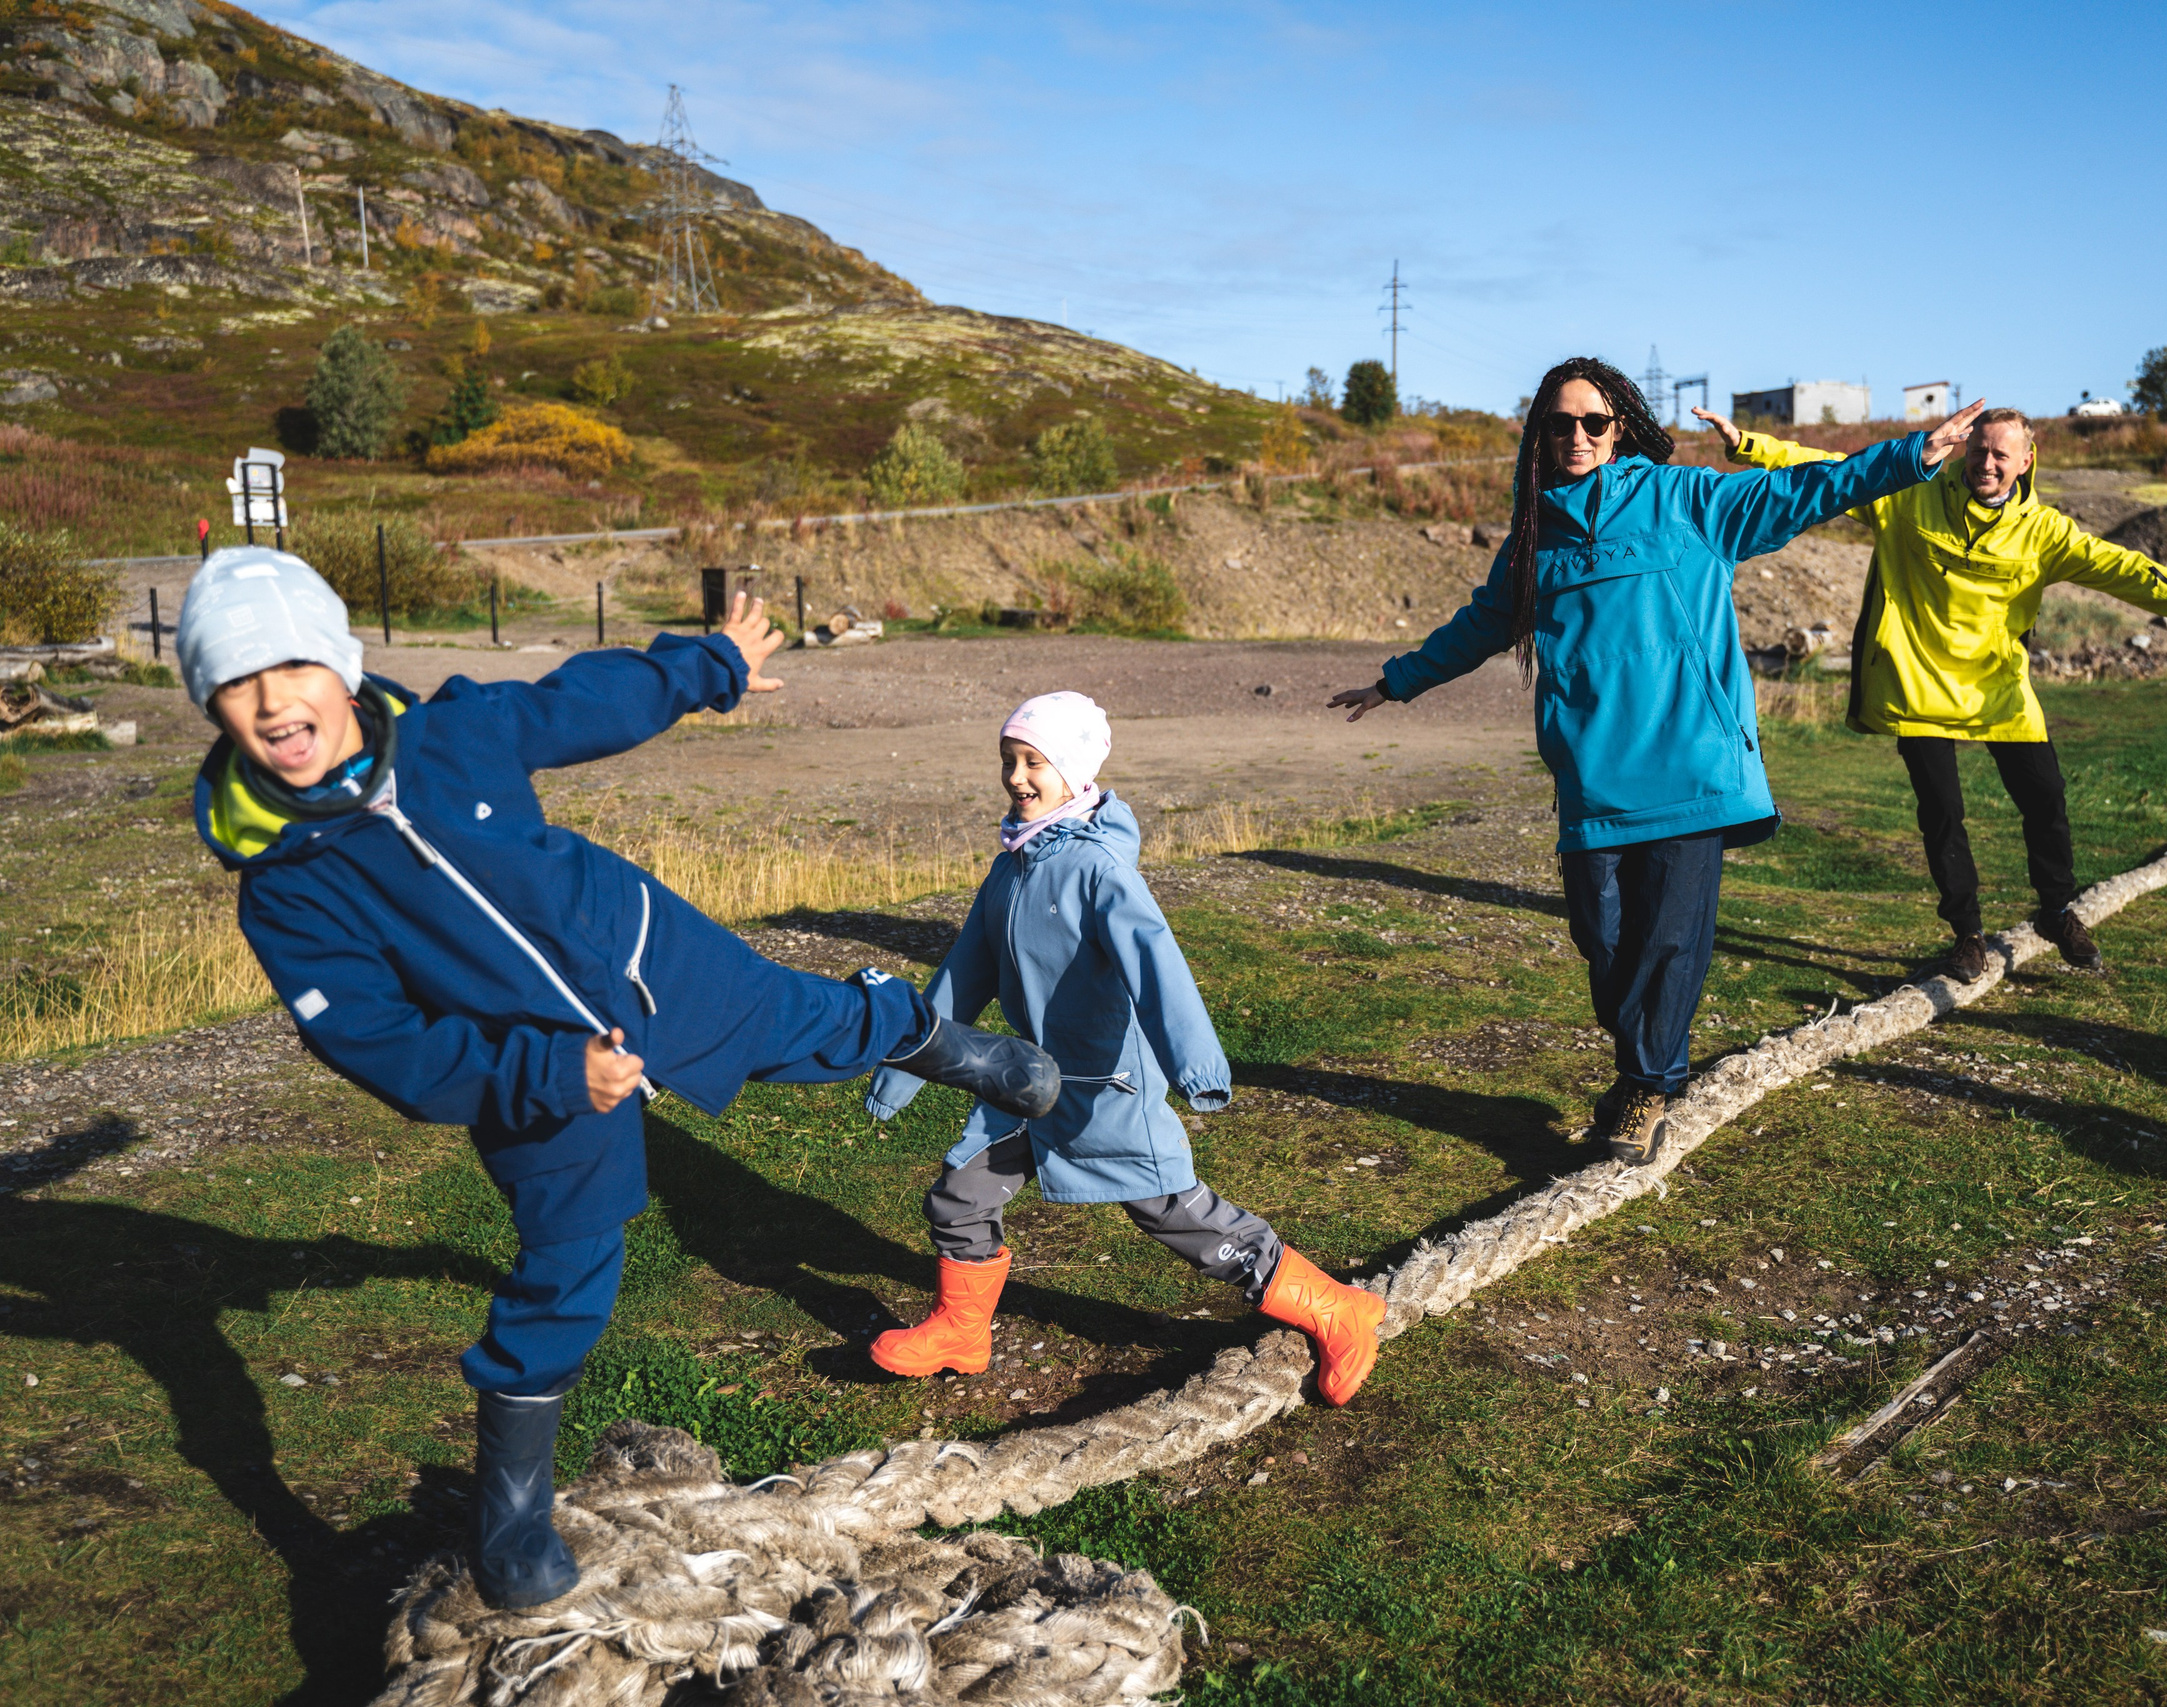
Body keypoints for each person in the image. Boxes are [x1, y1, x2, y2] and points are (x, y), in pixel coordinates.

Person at [178, 548, 1059, 1612]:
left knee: (807, 1022)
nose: (273, 701)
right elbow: (383, 1046)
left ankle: (939, 1042)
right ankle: (507, 1514)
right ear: (209, 704)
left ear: (341, 663)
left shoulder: (452, 735)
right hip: (530, 1075)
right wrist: (551, 1071)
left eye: (290, 666)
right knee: (568, 1266)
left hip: (644, 959)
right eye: (235, 682)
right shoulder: (285, 888)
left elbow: (581, 703)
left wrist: (710, 666)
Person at [1328, 358, 1987, 1167]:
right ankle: (1646, 1063)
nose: (1577, 437)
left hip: (1690, 766)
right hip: (1594, 778)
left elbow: (1803, 490)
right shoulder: (1534, 538)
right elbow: (1480, 626)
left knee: (1667, 943)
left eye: (1594, 423)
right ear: (1539, 434)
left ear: (1623, 427)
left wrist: (1908, 457)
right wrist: (1397, 681)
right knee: (1602, 940)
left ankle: (1646, 1083)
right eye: (1560, 424)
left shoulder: (1687, 502)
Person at [865, 691, 1386, 1406]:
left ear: (1075, 773)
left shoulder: (1098, 868)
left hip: (1102, 1088)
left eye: (1033, 762)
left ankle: (1335, 1305)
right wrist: (904, 1065)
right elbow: (964, 972)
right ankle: (961, 1328)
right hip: (1021, 1082)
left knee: (1173, 1211)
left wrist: (1197, 1068)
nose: (1017, 776)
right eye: (1008, 760)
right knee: (959, 1195)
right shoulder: (1011, 868)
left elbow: (1157, 963)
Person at [1694, 404, 2167, 976]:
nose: (1986, 463)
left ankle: (2056, 910)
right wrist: (1750, 443)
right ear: (1964, 451)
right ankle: (1967, 933)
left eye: (1999, 454)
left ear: (2026, 460)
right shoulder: (1907, 497)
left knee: (2046, 799)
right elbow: (1830, 468)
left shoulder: (2045, 532)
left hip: (1999, 688)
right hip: (1917, 682)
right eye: (1978, 450)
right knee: (1942, 812)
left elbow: (2124, 567)